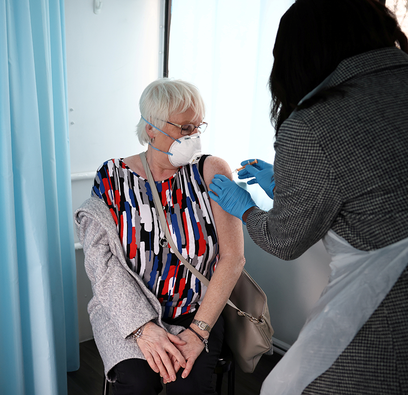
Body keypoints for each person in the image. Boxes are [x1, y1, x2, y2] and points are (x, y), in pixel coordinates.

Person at [207, 1, 408, 393]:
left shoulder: (316, 123)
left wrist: (246, 209)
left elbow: (284, 240)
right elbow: (374, 187)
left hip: (389, 312)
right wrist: (287, 185)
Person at [75, 78, 245, 394]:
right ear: (151, 128)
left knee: (188, 385)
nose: (193, 137)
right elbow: (102, 263)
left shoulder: (211, 171)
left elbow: (233, 259)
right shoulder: (112, 177)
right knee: (136, 382)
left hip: (197, 310)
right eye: (184, 128)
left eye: (198, 127)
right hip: (129, 310)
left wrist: (198, 331)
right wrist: (142, 328)